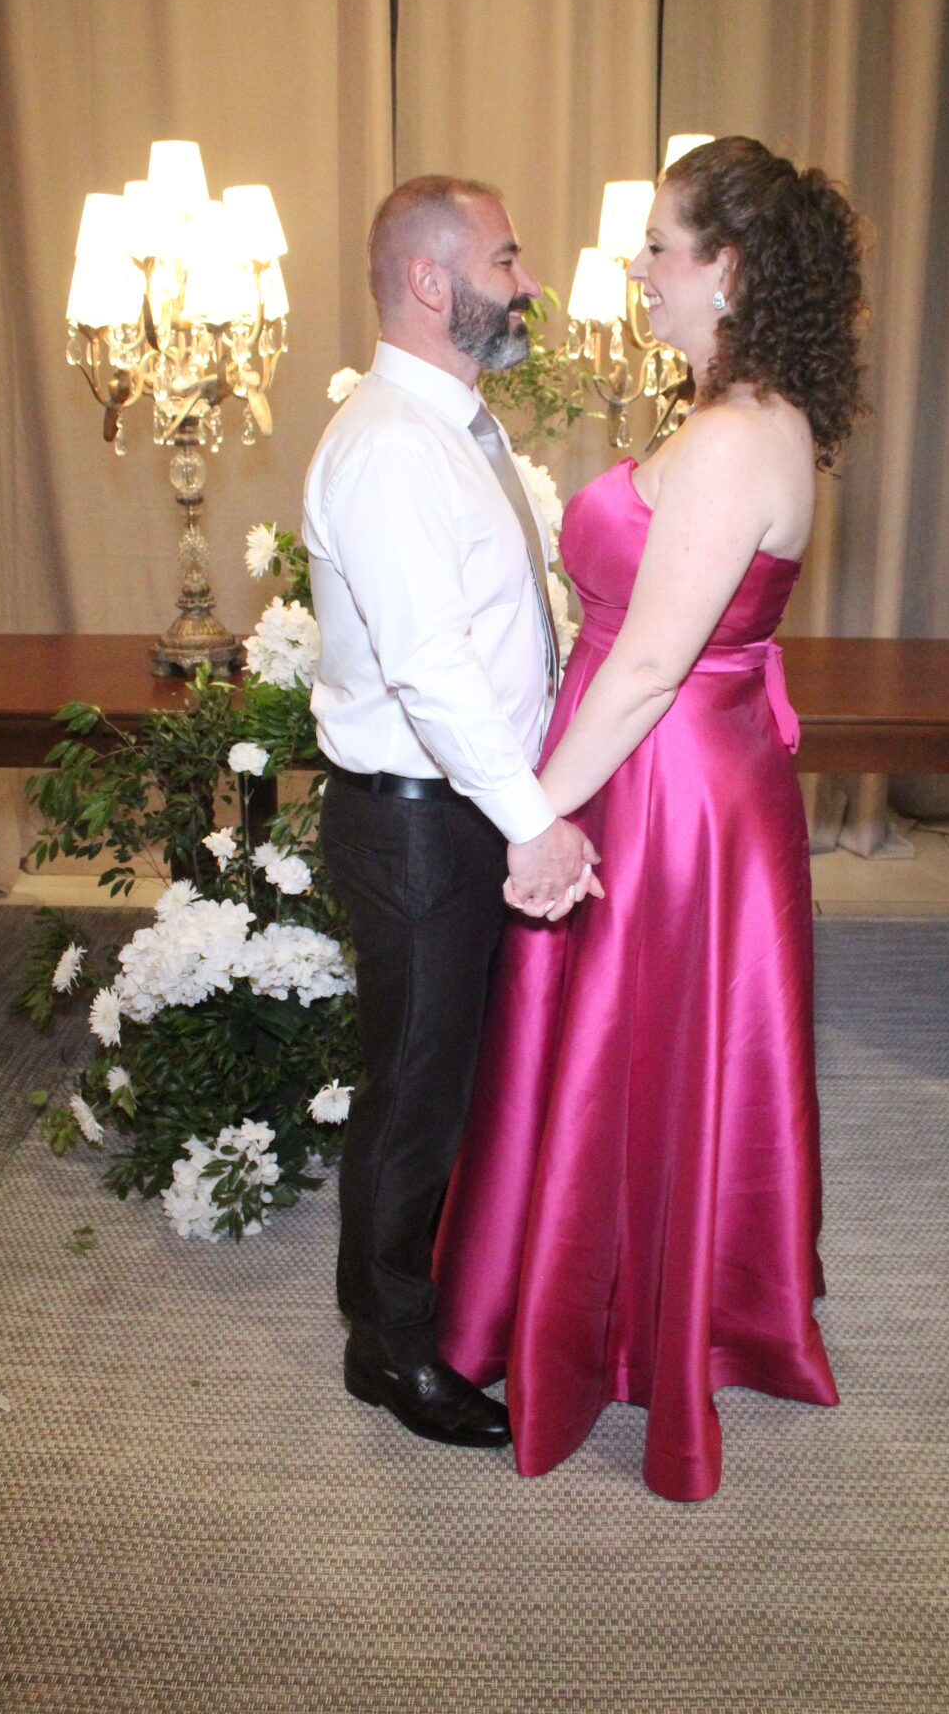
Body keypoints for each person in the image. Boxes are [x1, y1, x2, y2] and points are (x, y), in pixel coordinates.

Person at [433, 137, 868, 1501]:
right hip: (678, 767)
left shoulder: (735, 439)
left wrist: (524, 813)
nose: (637, 268)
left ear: (726, 268)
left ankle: (621, 1325)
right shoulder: (741, 414)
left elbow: (646, 667)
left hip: (667, 785)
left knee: (640, 1049)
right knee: (644, 1053)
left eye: (660, 246)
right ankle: (619, 1295)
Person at [303, 176, 601, 1451]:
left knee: (452, 1082)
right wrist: (532, 820)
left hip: (461, 806)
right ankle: (386, 1351)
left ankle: (432, 1306)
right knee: (415, 1095)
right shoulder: (387, 445)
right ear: (431, 282)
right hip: (419, 823)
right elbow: (428, 669)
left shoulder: (451, 428)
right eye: (505, 259)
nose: (525, 283)